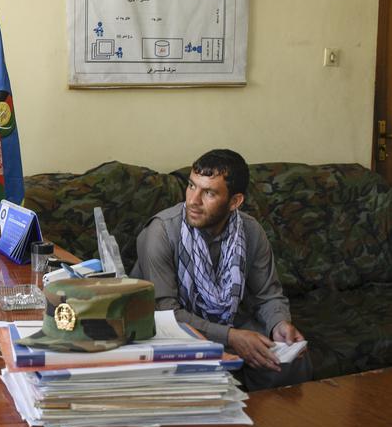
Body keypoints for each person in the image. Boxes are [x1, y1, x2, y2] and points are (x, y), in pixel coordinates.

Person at [133, 149, 312, 391]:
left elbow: (268, 295)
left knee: (290, 363)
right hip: (171, 329)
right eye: (191, 186)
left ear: (235, 202)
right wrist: (232, 337)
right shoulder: (161, 232)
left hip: (230, 320)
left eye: (208, 192)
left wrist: (279, 324)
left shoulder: (250, 230)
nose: (193, 201)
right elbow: (166, 313)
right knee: (200, 377)